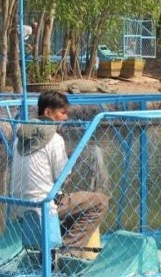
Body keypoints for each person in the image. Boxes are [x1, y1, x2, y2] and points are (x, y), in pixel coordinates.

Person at [11, 91, 109, 258]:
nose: (65, 118)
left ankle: (56, 248)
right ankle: (68, 254)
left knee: (76, 205)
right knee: (100, 201)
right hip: (44, 205)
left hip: (20, 206)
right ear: (48, 112)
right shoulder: (55, 139)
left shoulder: (19, 139)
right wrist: (72, 160)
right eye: (62, 113)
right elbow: (62, 177)